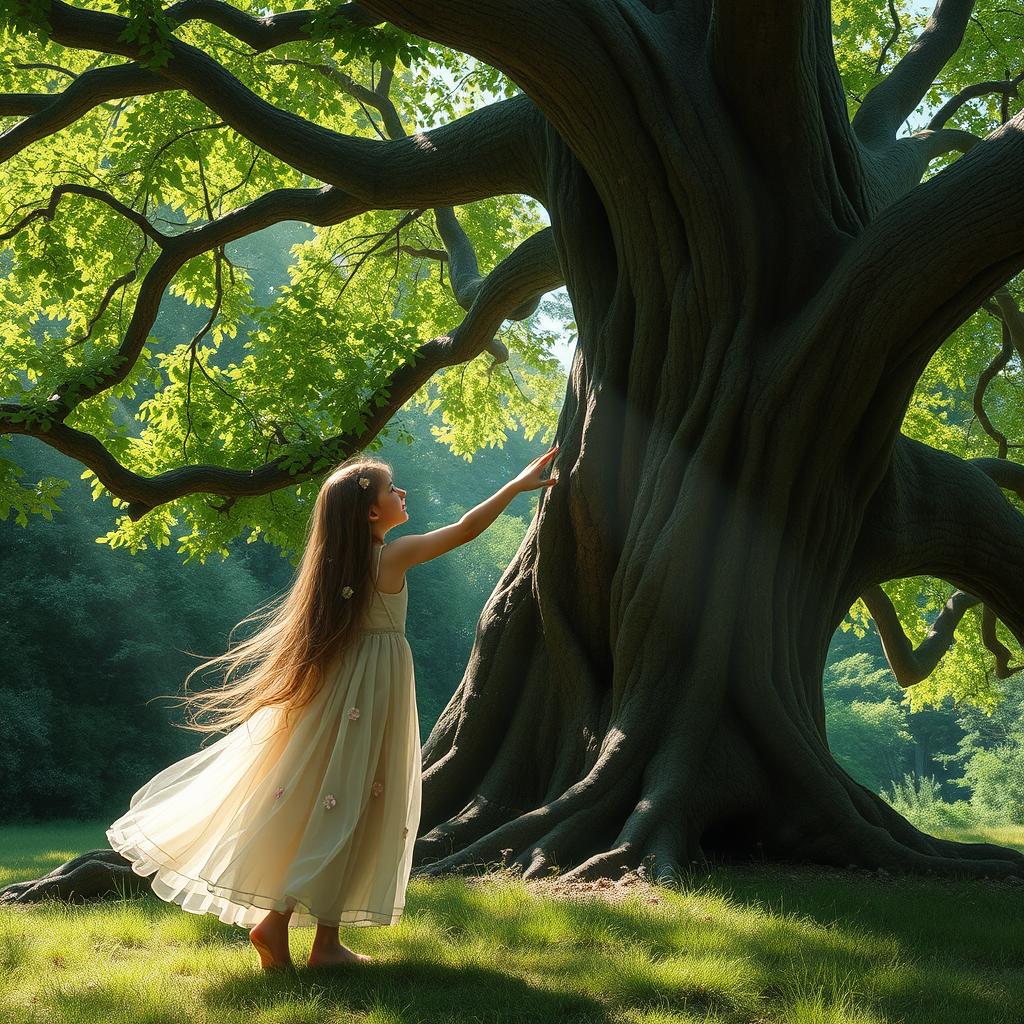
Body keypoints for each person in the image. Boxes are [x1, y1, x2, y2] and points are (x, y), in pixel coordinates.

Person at [106, 442, 560, 971]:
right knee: (355, 805)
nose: (402, 492)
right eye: (393, 489)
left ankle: (325, 945)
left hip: (345, 694)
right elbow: (463, 529)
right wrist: (514, 486)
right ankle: (280, 924)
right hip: (373, 695)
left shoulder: (335, 568)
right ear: (371, 511)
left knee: (339, 803)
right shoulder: (391, 555)